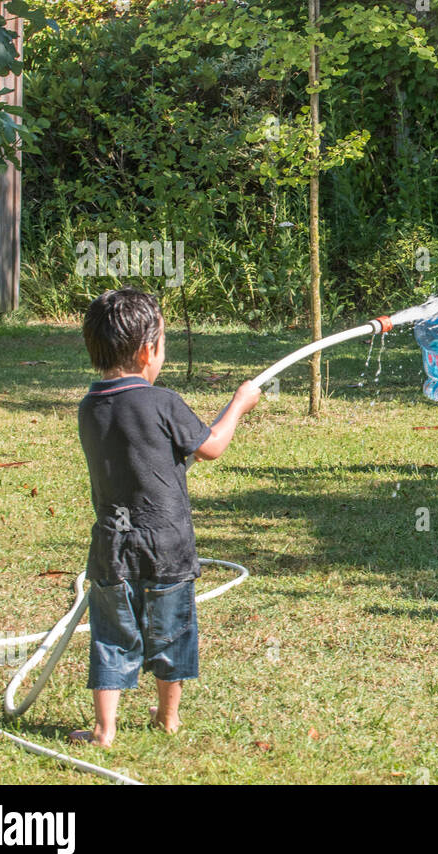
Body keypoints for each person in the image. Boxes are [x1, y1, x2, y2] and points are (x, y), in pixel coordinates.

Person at [71, 286, 260, 746]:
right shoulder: (163, 401)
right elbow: (211, 446)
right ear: (147, 351)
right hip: (168, 543)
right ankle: (167, 718)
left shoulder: (89, 407)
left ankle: (104, 728)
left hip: (112, 545)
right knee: (171, 631)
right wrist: (239, 403)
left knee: (111, 636)